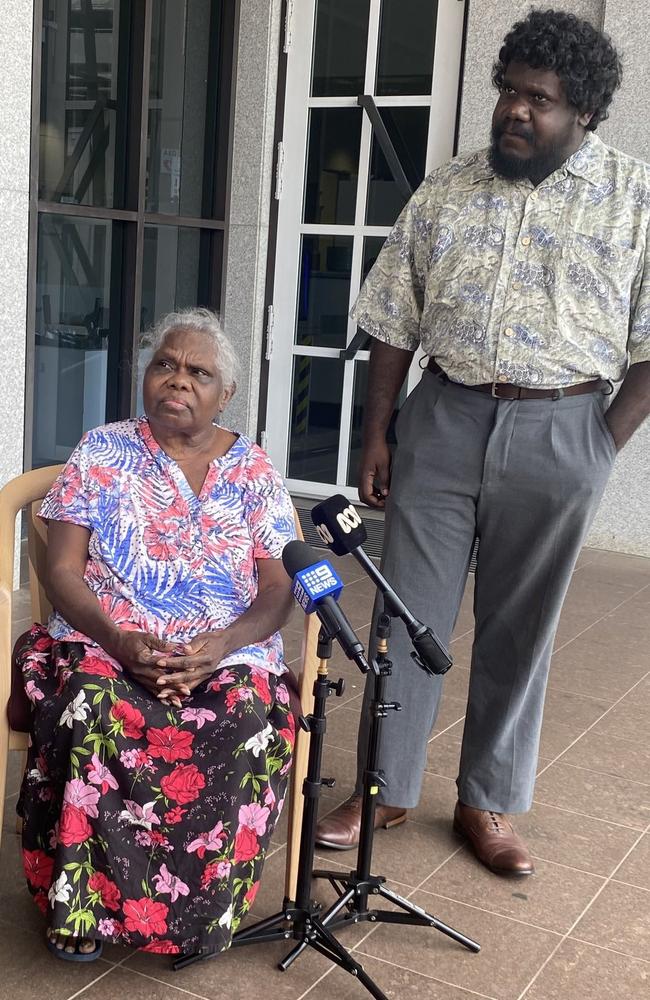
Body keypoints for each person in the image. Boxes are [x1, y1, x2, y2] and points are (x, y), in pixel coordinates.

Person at [315, 9, 650, 876]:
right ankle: (383, 787)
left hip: (564, 425)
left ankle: (487, 800)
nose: (515, 111)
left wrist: (598, 447)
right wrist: (378, 435)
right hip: (445, 419)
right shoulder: (448, 188)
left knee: (520, 625)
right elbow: (393, 320)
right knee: (404, 611)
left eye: (539, 99)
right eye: (509, 90)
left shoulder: (634, 197)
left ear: (585, 112)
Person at [16, 308, 297, 959]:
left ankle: (194, 918)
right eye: (165, 365)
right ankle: (81, 911)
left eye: (198, 372)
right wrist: (118, 641)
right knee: (89, 711)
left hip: (224, 651)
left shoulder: (254, 471)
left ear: (225, 394)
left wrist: (221, 646)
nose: (177, 381)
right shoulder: (102, 450)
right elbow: (61, 570)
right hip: (107, 641)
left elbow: (279, 585)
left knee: (251, 719)